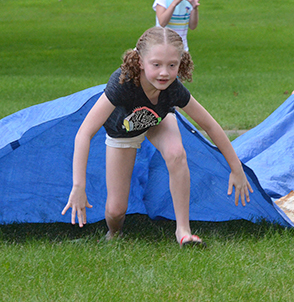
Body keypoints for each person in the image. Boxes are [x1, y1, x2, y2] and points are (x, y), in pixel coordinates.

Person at [62, 27, 253, 247]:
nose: (164, 73)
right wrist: (78, 186)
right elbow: (84, 133)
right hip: (123, 132)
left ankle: (184, 232)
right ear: (140, 62)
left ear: (180, 63)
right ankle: (114, 234)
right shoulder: (122, 83)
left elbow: (210, 125)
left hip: (157, 120)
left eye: (172, 65)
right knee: (115, 211)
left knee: (176, 153)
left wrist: (236, 168)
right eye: (156, 65)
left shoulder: (173, 89)